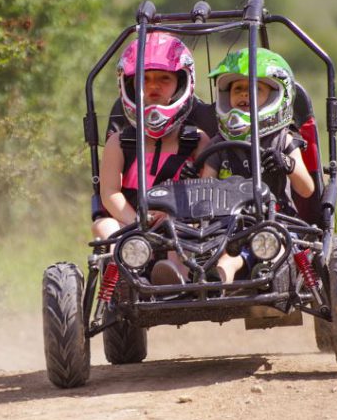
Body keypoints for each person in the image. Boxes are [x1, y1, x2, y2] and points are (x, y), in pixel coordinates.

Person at [92, 32, 210, 284]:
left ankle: (173, 274)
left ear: (180, 84)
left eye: (164, 79)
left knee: (184, 233)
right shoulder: (120, 142)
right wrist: (135, 221)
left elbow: (207, 191)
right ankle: (123, 278)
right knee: (104, 228)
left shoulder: (197, 141)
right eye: (144, 79)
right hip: (130, 224)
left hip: (179, 224)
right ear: (130, 86)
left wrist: (174, 217)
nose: (153, 86)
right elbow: (109, 193)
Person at [199, 47, 315, 283]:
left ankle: (253, 270)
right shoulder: (220, 142)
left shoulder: (283, 139)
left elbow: (307, 189)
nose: (244, 94)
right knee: (214, 246)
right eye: (237, 88)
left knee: (274, 245)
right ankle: (218, 278)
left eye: (254, 88)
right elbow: (204, 190)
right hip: (230, 222)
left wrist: (287, 164)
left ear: (274, 97)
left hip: (278, 221)